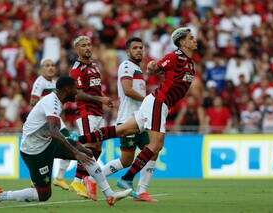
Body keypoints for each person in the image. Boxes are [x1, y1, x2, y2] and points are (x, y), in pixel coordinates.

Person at [80, 27, 197, 193]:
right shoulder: (174, 56)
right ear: (183, 42)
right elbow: (155, 68)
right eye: (191, 38)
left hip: (155, 104)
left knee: (122, 132)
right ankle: (127, 179)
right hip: (158, 102)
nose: (194, 40)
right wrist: (152, 66)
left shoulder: (190, 64)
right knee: (155, 145)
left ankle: (78, 139)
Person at [0, 76, 131, 207]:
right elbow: (54, 131)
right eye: (75, 88)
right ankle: (1, 195)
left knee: (87, 153)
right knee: (43, 195)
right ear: (67, 89)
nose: (77, 92)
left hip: (47, 142)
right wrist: (75, 152)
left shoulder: (57, 103)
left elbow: (62, 131)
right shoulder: (52, 103)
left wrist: (79, 146)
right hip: (34, 151)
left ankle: (109, 194)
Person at [101, 37, 158, 202]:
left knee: (152, 151)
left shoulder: (138, 69)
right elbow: (127, 90)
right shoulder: (126, 66)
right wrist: (149, 99)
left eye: (141, 48)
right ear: (128, 51)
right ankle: (93, 177)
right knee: (126, 161)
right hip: (127, 120)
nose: (139, 50)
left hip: (140, 120)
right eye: (135, 48)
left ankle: (141, 191)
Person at [69, 36, 113, 200]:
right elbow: (77, 93)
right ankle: (77, 180)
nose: (88, 47)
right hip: (86, 112)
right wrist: (100, 99)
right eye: (83, 45)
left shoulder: (94, 67)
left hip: (98, 111)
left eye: (89, 45)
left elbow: (95, 90)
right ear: (77, 49)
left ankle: (84, 178)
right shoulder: (77, 69)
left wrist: (104, 98)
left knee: (98, 148)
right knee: (88, 145)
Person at [30, 58, 72, 191]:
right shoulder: (40, 82)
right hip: (46, 122)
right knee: (54, 148)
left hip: (56, 120)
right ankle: (38, 178)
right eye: (47, 65)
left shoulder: (55, 83)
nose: (50, 68)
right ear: (41, 69)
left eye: (53, 65)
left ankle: (59, 177)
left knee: (70, 143)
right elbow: (33, 102)